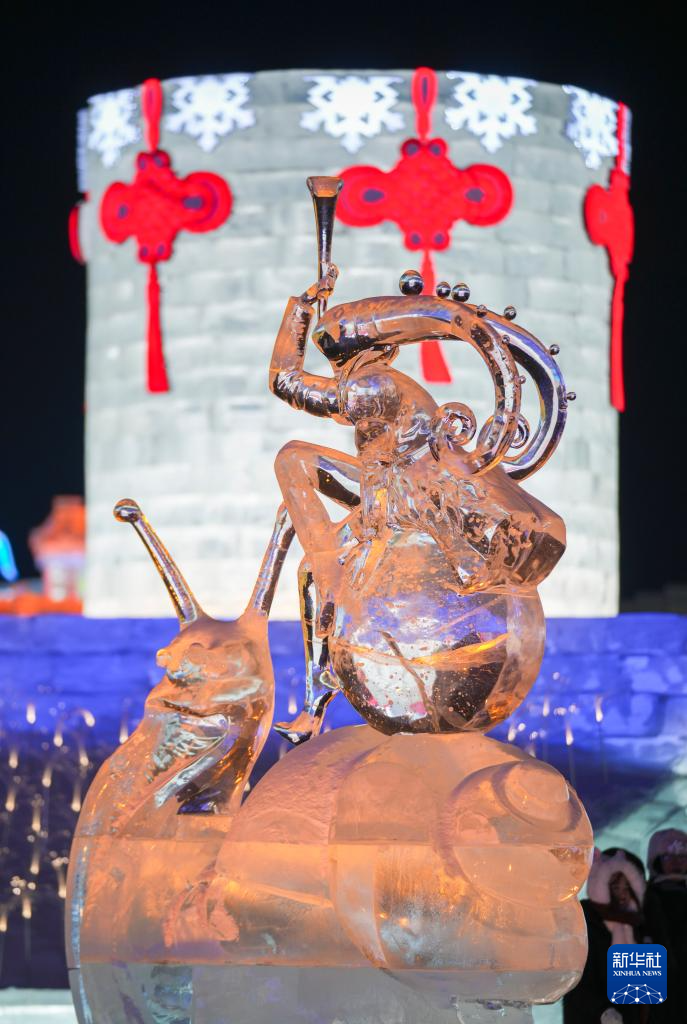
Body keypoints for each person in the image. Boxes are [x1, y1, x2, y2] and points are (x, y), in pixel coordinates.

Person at [563, 847, 647, 1023]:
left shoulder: (638, 924)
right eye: (616, 886)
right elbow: (573, 980)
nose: (622, 894)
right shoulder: (584, 919)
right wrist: (602, 1011)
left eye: (627, 886)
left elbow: (643, 991)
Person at [643, 828, 687, 1023]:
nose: (677, 863)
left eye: (682, 856)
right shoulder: (640, 899)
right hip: (656, 1001)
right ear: (656, 860)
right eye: (669, 857)